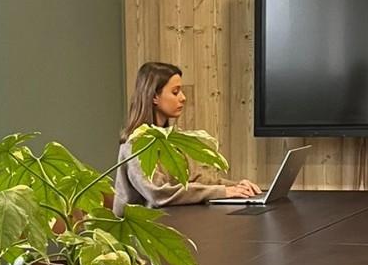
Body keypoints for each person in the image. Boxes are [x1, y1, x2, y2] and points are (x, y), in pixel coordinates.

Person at [112, 61, 262, 214]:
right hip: (142, 233)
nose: (183, 98)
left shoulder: (170, 139)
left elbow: (193, 180)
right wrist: (222, 192)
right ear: (154, 97)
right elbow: (157, 193)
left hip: (173, 222)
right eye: (175, 92)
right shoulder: (135, 144)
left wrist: (235, 187)